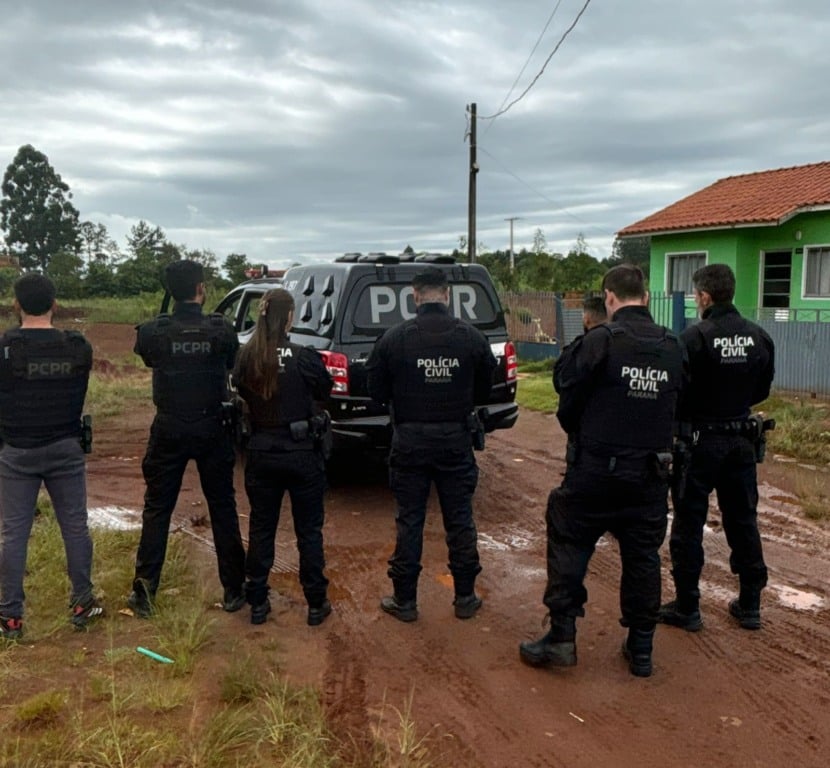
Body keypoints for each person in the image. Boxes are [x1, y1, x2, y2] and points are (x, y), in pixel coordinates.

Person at [519, 264, 687, 677]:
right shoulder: (674, 346)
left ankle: (562, 638)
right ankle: (641, 649)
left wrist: (585, 432)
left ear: (609, 298)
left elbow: (566, 393)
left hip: (594, 472)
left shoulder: (598, 341)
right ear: (645, 297)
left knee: (569, 543)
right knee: (643, 557)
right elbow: (682, 404)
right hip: (649, 475)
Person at [366, 266, 497, 622]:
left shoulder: (394, 338)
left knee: (410, 520)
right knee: (460, 518)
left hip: (410, 440)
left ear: (414, 296)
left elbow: (375, 391)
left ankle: (405, 600)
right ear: (447, 295)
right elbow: (485, 388)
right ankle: (465, 597)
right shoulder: (471, 337)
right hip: (456, 439)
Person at [659, 263, 775, 632]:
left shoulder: (693, 338)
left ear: (705, 297)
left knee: (689, 521)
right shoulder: (759, 336)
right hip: (741, 439)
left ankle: (688, 606)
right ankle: (751, 604)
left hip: (700, 442)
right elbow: (762, 390)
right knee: (743, 520)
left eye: (696, 296)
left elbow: (677, 391)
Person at [127, 260, 245, 618]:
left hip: (170, 427)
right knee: (222, 506)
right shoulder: (221, 330)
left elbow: (147, 356)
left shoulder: (153, 331)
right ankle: (234, 590)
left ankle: (144, 593)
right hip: (212, 426)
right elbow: (230, 362)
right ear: (201, 289)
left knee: (157, 508)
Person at [0, 273, 102, 640]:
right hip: (65, 446)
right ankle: (83, 602)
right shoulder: (77, 347)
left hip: (17, 450)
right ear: (54, 304)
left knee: (14, 533)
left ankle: (10, 616)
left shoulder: (6, 347)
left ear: (17, 305)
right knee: (75, 526)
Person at [232, 288, 333, 626]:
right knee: (309, 532)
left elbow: (240, 390)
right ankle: (316, 603)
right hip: (302, 452)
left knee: (261, 528)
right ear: (289, 317)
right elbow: (325, 389)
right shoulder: (304, 356)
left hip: (261, 451)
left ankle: (258, 602)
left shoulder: (247, 356)